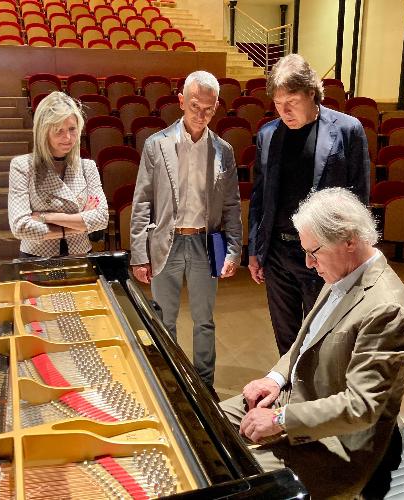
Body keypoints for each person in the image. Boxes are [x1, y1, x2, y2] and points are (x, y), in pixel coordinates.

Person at [221, 187, 404, 500]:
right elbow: (305, 343)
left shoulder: (387, 310)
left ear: (349, 241)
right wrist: (273, 378)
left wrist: (279, 420)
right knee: (203, 425)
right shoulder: (343, 274)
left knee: (237, 482)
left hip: (338, 444)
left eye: (314, 252)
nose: (308, 263)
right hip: (295, 400)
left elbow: (361, 406)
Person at [248, 54, 370, 356]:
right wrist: (255, 250)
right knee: (286, 339)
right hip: (277, 253)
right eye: (277, 103)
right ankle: (290, 397)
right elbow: (260, 198)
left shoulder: (348, 130)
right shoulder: (267, 135)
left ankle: (321, 399)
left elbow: (360, 199)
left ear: (312, 94)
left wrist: (356, 256)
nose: (284, 111)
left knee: (325, 338)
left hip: (325, 253)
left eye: (292, 101)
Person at [130, 71, 242, 396]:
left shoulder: (224, 150)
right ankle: (171, 383)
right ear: (181, 101)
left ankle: (205, 388)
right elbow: (141, 203)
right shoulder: (156, 145)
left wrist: (233, 250)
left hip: (208, 243)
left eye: (208, 109)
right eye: (194, 106)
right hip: (166, 241)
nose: (201, 114)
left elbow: (233, 205)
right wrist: (139, 255)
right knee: (164, 321)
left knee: (204, 322)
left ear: (217, 107)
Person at [8, 91, 109, 258]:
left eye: (72, 129)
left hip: (81, 255)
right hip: (36, 258)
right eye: (58, 131)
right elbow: (20, 227)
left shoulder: (88, 167)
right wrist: (81, 222)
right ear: (43, 131)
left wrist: (46, 217)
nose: (68, 137)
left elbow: (102, 218)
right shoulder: (23, 166)